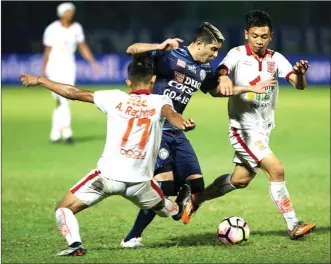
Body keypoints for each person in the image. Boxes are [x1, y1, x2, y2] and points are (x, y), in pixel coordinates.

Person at [121, 22, 276, 248]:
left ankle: (173, 202)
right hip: (156, 128)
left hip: (178, 129)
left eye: (218, 51)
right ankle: (132, 237)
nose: (215, 55)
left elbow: (218, 91)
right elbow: (132, 49)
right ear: (200, 43)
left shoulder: (204, 70)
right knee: (164, 186)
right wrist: (159, 45)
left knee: (197, 187)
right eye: (213, 49)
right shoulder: (169, 56)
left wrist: (249, 88)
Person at [19, 60, 197, 256]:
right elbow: (171, 115)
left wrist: (41, 80)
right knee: (166, 210)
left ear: (128, 82)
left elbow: (74, 93)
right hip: (141, 184)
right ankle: (179, 208)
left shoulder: (113, 98)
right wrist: (182, 124)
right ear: (153, 79)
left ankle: (75, 243)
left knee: (63, 208)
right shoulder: (160, 101)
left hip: (107, 178)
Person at [182, 10, 316, 240]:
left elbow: (298, 85)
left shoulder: (277, 59)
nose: (259, 41)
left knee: (239, 180)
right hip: (243, 128)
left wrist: (301, 74)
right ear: (247, 34)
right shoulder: (236, 55)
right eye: (255, 36)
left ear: (271, 36)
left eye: (264, 36)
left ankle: (196, 198)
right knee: (277, 169)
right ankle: (293, 224)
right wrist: (224, 77)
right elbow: (222, 71)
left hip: (263, 129)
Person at [42, 2, 99, 144]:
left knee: (64, 98)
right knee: (60, 98)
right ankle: (64, 131)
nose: (70, 13)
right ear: (61, 13)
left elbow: (82, 47)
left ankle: (57, 133)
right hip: (54, 65)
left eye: (71, 11)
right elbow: (47, 51)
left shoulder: (76, 28)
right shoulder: (52, 29)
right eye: (67, 11)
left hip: (69, 66)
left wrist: (92, 62)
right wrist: (43, 70)